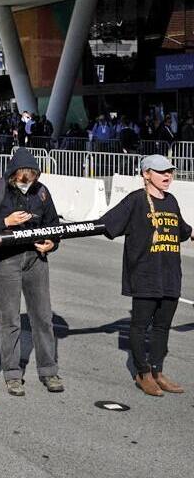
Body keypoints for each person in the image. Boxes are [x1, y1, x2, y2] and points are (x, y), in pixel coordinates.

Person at [99, 155, 192, 396]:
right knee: (140, 326)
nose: (167, 176)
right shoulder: (136, 200)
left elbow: (182, 231)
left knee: (162, 327)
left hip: (171, 275)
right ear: (146, 174)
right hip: (145, 275)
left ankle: (158, 372)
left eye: (169, 171)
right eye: (161, 172)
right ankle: (143, 373)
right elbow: (107, 224)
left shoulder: (171, 201)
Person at [0, 148, 63, 396]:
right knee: (10, 319)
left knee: (43, 317)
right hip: (5, 260)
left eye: (33, 176)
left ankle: (49, 370)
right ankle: (13, 374)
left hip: (36, 258)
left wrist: (52, 243)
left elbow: (53, 225)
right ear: (14, 174)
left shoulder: (42, 191)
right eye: (24, 176)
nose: (28, 181)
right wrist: (6, 222)